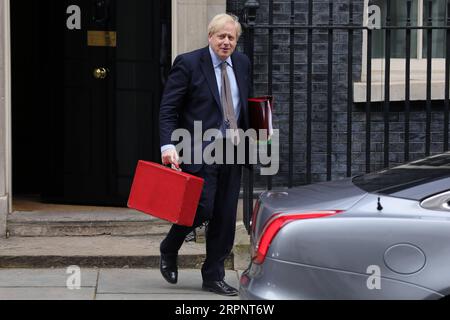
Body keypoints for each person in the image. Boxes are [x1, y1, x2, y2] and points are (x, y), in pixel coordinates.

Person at [158, 13, 251, 296]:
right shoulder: (188, 63)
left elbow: (246, 104)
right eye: (221, 36)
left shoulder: (243, 64)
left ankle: (213, 276)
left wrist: (261, 131)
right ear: (210, 36)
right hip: (199, 149)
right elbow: (168, 108)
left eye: (231, 37)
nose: (226, 42)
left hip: (232, 150)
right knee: (202, 207)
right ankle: (170, 245)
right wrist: (168, 146)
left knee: (224, 216)